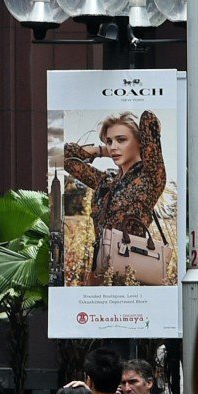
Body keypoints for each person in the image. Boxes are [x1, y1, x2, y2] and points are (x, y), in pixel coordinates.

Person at [61, 110, 170, 285]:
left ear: (141, 142)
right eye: (109, 141)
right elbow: (65, 158)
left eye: (121, 140)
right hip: (101, 271)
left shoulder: (150, 178)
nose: (113, 146)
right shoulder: (105, 181)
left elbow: (149, 119)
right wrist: (101, 150)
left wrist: (135, 142)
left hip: (133, 271)